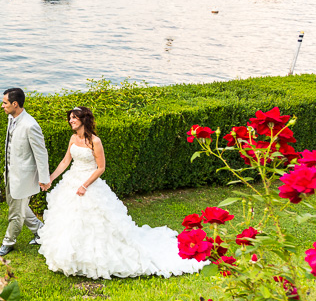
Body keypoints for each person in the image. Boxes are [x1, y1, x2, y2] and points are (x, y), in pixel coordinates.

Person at [37, 106, 206, 278]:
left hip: (88, 182)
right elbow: (66, 161)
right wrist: (51, 178)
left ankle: (95, 259)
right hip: (71, 180)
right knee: (69, 219)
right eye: (70, 118)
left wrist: (85, 185)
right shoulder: (73, 138)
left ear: (83, 120)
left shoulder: (95, 141)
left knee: (94, 222)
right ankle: (69, 257)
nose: (71, 120)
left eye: (74, 117)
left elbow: (101, 168)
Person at [0, 88, 50, 257]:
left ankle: (8, 243)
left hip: (23, 177)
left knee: (15, 214)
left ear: (15, 104)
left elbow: (41, 153)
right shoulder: (12, 118)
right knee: (19, 207)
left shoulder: (31, 125)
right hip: (10, 174)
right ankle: (41, 230)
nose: (2, 106)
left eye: (5, 103)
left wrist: (44, 178)